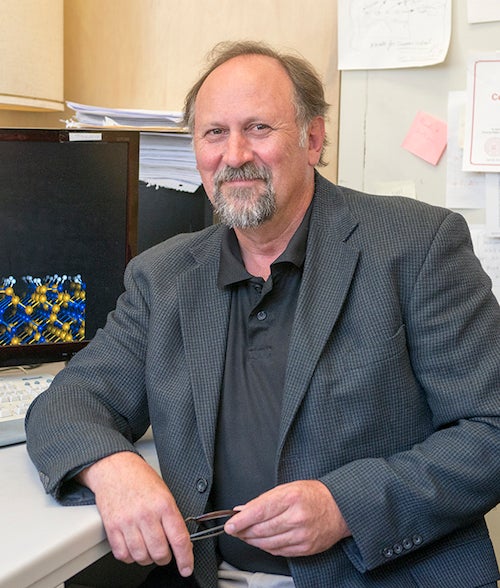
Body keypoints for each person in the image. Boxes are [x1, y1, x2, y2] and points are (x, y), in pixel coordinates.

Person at [26, 40, 500, 588]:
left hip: (379, 573)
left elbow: (490, 428)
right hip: (209, 575)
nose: (234, 156)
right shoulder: (163, 277)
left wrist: (344, 506)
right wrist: (112, 468)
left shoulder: (417, 245)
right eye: (214, 133)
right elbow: (69, 401)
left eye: (258, 128)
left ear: (313, 139)